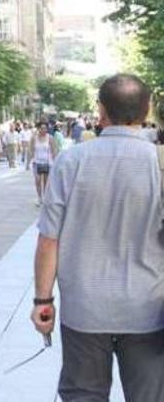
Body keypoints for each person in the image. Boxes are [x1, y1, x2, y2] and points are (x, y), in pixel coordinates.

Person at [32, 74, 164, 401]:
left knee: (83, 395)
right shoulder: (159, 164)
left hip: (84, 310)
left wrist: (43, 300)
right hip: (149, 311)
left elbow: (49, 240)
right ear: (147, 110)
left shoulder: (70, 161)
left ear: (101, 111)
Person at [31, 125, 59, 205]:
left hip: (47, 162)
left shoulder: (50, 138)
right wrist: (31, 159)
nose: (43, 130)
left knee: (46, 182)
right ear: (38, 129)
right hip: (37, 162)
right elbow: (31, 149)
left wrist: (54, 160)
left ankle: (46, 197)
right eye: (41, 128)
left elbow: (54, 150)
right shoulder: (34, 138)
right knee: (38, 180)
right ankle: (39, 197)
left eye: (45, 128)